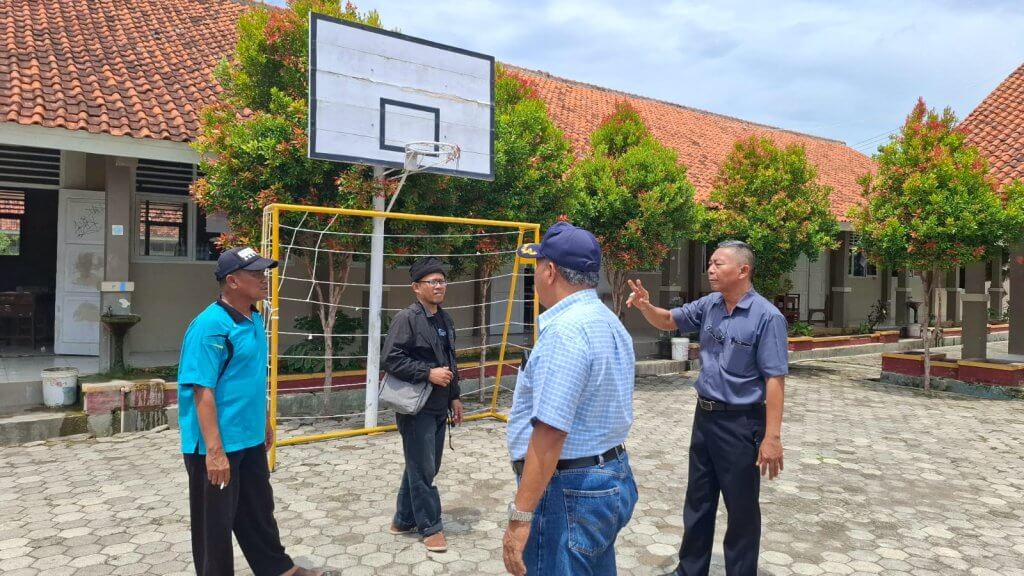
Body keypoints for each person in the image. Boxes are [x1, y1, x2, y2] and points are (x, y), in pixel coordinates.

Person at [627, 240, 787, 576]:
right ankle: (690, 570)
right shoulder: (710, 305)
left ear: (743, 270)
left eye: (719, 264)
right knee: (698, 500)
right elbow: (670, 320)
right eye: (710, 263)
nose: (711, 270)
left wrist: (772, 437)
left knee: (741, 508)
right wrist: (645, 307)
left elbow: (775, 379)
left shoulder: (767, 317)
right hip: (706, 417)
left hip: (742, 423)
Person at [177, 246, 332, 576]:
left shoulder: (253, 318)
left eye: (264, 273)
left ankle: (280, 570)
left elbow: (251, 377)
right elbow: (202, 390)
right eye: (256, 274)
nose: (265, 279)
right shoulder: (210, 326)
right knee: (214, 528)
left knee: (258, 512)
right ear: (232, 281)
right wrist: (215, 452)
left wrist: (263, 420)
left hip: (248, 439)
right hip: (215, 445)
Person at [502, 221, 639, 576]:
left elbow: (550, 434)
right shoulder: (607, 320)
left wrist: (520, 518)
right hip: (609, 474)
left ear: (549, 271)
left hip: (568, 490)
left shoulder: (565, 332)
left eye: (536, 266)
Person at [382, 256, 464, 553]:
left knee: (424, 465)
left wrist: (455, 395)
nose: (439, 286)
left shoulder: (445, 319)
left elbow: (451, 361)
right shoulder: (407, 318)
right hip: (415, 408)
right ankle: (430, 527)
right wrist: (427, 373)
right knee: (424, 468)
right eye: (433, 282)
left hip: (439, 405)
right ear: (417, 287)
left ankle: (403, 520)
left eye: (442, 281)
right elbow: (391, 358)